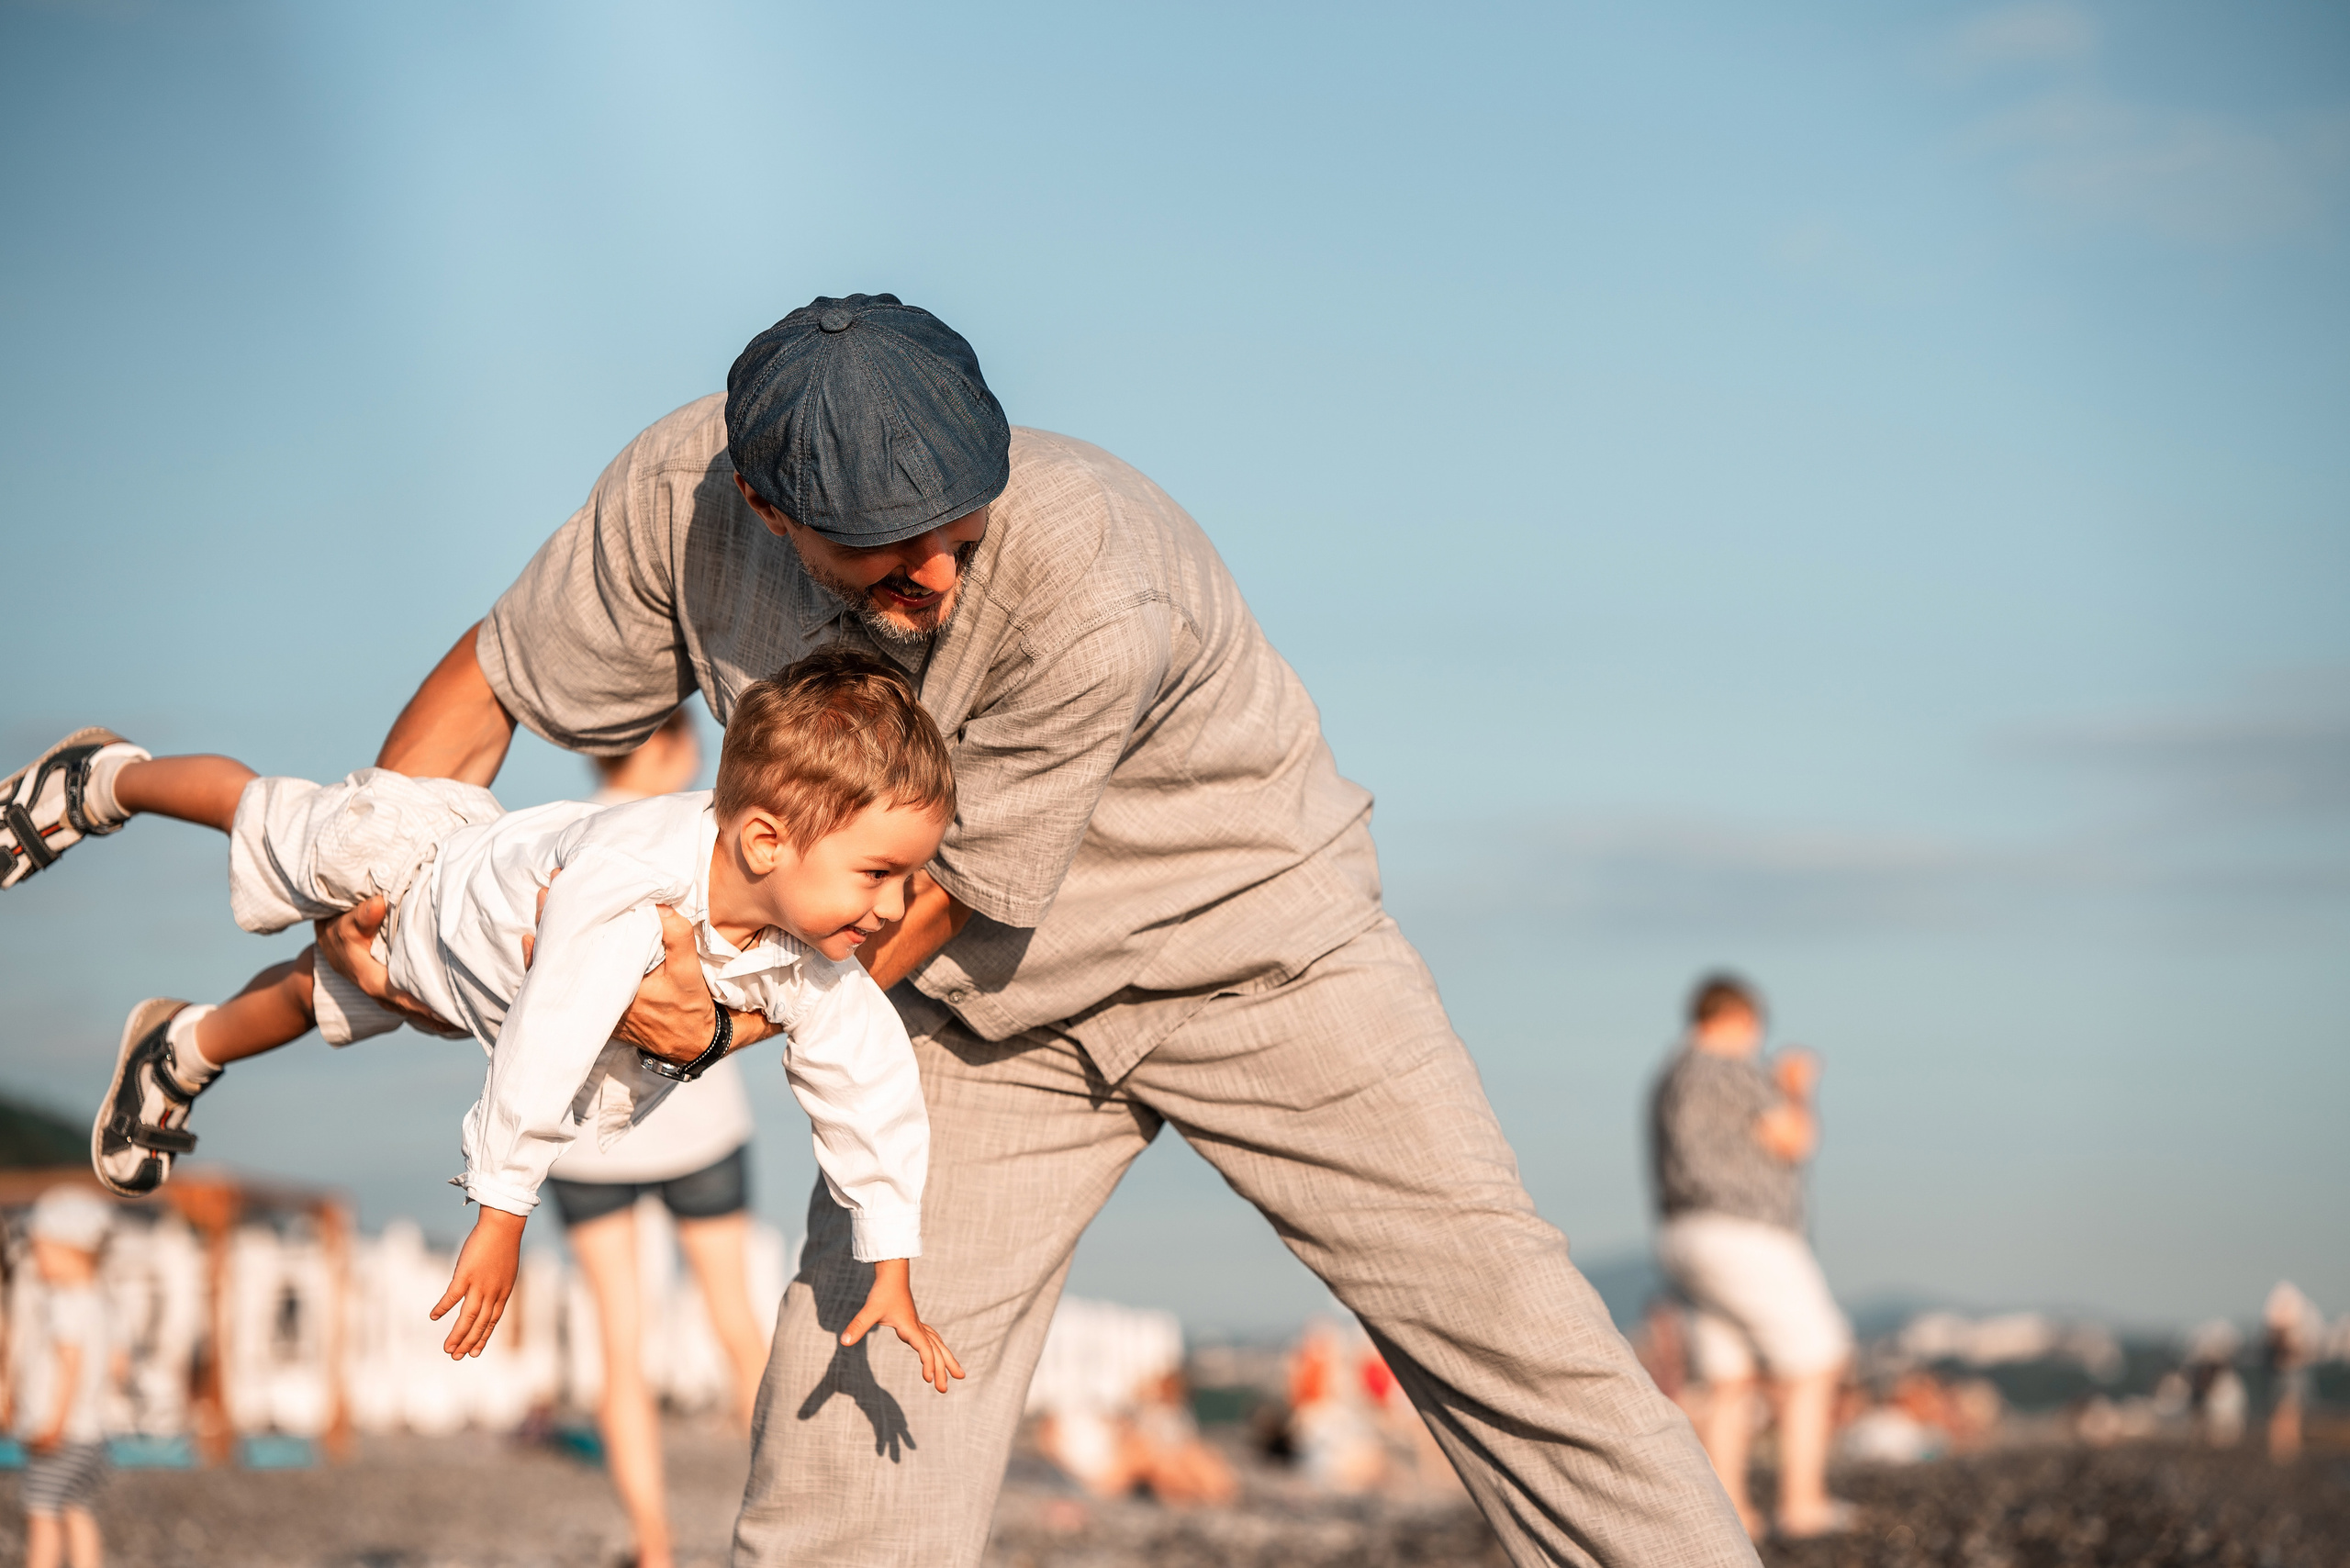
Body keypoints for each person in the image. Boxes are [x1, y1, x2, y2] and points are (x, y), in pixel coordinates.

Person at [278, 292, 1756, 1567]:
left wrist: (712, 1020)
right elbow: (493, 683)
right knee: (852, 1428)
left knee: (1511, 1333)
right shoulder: (679, 502)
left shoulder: (1091, 573)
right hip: (981, 1022)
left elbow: (932, 894)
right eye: (884, 548)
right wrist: (381, 894)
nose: (937, 571)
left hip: (1254, 950)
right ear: (770, 511)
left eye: (959, 523)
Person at [3, 651, 959, 1390]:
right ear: (765, 840)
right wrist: (502, 1211)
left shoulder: (803, 944)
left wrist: (889, 1256)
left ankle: (181, 1048)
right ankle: (106, 781)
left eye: (907, 877)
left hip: (449, 980)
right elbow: (550, 1038)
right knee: (264, 818)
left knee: (313, 997)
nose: (891, 908)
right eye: (877, 874)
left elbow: (867, 1079)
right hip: (409, 864)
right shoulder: (633, 893)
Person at [548, 705, 773, 1568]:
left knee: (620, 1346)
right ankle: (782, 1524)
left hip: (584, 1127)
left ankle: (653, 1547)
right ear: (672, 744)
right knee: (737, 1326)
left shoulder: (559, 839)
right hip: (698, 1117)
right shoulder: (702, 835)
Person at [1649, 973, 1852, 1540]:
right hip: (1746, 1233)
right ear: (1741, 1018)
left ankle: (1731, 1511)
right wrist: (1794, 1086)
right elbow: (1795, 1139)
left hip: (1682, 1233)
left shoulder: (1670, 1075)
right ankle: (1803, 1502)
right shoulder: (1732, 1069)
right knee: (1815, 1360)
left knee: (1728, 1376)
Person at [7, 1187, 115, 1568]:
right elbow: (116, 1363)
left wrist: (54, 1422)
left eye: (40, 1250)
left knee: (41, 1514)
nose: (35, 1259)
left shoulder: (65, 1302)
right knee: (76, 1508)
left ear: (70, 1249)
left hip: (61, 1434)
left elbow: (69, 1366)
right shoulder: (100, 1302)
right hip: (92, 1434)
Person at [2262, 1280, 2323, 1463]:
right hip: (2287, 1368)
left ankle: (2286, 1450)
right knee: (2285, 1409)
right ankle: (2284, 1451)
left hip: (2290, 1367)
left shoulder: (2290, 1308)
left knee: (2289, 1408)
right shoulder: (2289, 1308)